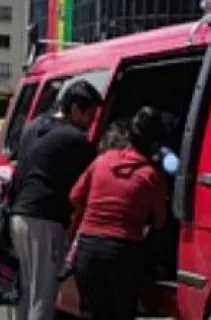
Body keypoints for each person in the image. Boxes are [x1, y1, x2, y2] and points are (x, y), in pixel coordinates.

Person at [9, 80, 102, 320]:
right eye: (89, 114)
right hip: (45, 220)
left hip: (18, 215)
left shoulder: (33, 127)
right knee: (44, 293)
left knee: (26, 289)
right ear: (75, 109)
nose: (91, 123)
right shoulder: (75, 139)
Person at [69, 106, 170, 320]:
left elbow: (75, 197)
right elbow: (160, 221)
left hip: (88, 251)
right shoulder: (151, 176)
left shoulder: (101, 161)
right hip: (123, 254)